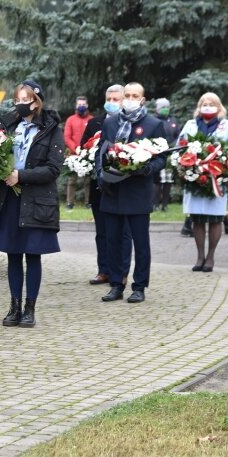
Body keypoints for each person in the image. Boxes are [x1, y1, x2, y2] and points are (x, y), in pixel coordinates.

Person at [0, 79, 65, 327]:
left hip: (37, 201)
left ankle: (29, 308)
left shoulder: (52, 128)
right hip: (10, 199)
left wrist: (20, 176)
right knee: (13, 255)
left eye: (27, 100)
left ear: (37, 101)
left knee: (33, 255)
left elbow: (54, 169)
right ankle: (14, 306)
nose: (22, 104)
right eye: (18, 100)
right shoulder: (7, 126)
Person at [95, 82, 166, 304]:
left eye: (135, 96)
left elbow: (162, 158)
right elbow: (101, 152)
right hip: (112, 190)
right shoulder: (110, 122)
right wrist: (100, 174)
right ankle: (116, 284)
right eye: (127, 95)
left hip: (137, 191)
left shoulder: (154, 124)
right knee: (113, 241)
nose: (130, 99)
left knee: (140, 243)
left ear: (143, 99)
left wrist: (147, 168)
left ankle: (139, 286)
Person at [177, 92, 228, 272]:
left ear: (219, 107)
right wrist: (185, 165)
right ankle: (199, 256)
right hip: (195, 179)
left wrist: (225, 165)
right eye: (203, 103)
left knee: (215, 219)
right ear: (198, 107)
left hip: (217, 179)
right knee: (197, 218)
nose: (207, 106)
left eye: (211, 103)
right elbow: (180, 146)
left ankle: (210, 257)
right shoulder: (190, 125)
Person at [82, 85, 132, 286]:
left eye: (116, 99)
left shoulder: (129, 123)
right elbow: (82, 147)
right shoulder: (94, 123)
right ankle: (104, 270)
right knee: (102, 230)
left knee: (123, 232)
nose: (112, 102)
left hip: (124, 185)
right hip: (99, 184)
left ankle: (121, 272)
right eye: (109, 98)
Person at [63, 96, 93, 209]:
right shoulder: (71, 119)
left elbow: (94, 137)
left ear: (87, 105)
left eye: (83, 104)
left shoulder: (91, 119)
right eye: (79, 104)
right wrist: (76, 149)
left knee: (88, 181)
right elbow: (67, 137)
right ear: (76, 105)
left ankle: (88, 202)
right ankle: (69, 203)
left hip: (87, 154)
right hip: (73, 154)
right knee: (72, 180)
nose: (81, 106)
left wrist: (86, 150)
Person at [152, 98, 179, 212]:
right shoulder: (153, 120)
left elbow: (178, 135)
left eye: (167, 107)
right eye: (163, 107)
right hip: (157, 153)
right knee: (157, 180)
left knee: (168, 180)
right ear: (157, 108)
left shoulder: (172, 121)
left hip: (170, 153)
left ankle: (165, 204)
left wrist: (173, 146)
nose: (165, 109)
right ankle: (155, 203)